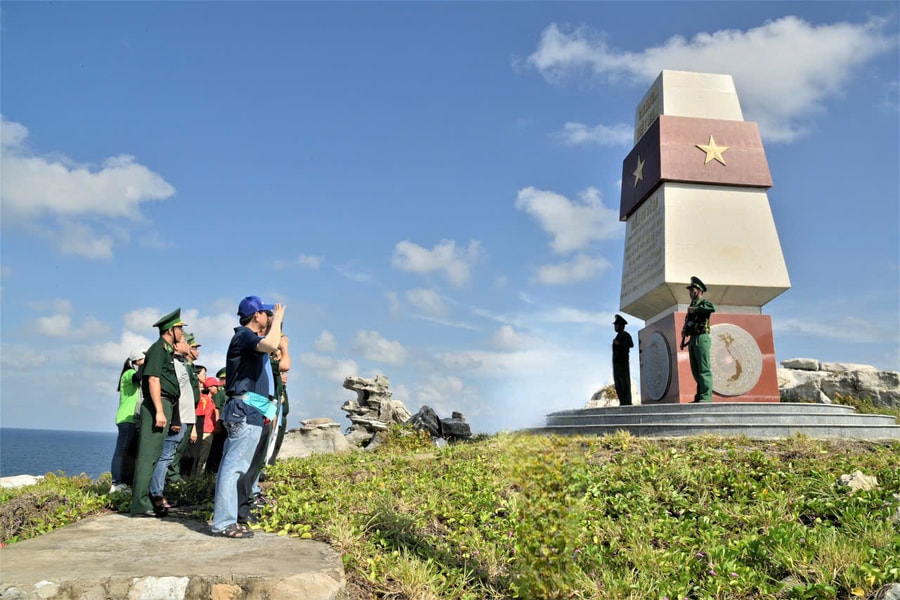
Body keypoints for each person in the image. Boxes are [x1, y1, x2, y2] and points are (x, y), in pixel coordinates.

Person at [210, 296, 285, 538]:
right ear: (256, 316)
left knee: (238, 468)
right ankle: (223, 522)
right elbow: (271, 345)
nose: (269, 316)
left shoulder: (249, 339)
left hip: (251, 410)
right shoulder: (243, 336)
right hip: (243, 411)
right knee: (232, 468)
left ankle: (230, 518)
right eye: (266, 312)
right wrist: (279, 320)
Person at [131, 308, 186, 518]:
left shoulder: (166, 350)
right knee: (148, 457)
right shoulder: (158, 349)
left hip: (165, 404)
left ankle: (146, 501)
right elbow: (152, 379)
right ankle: (140, 503)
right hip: (158, 405)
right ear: (171, 330)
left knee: (154, 456)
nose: (181, 332)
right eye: (180, 328)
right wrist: (159, 411)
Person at [110, 348, 145, 492]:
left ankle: (124, 482)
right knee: (122, 451)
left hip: (132, 419)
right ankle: (116, 482)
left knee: (128, 452)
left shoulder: (131, 372)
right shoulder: (129, 373)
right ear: (136, 361)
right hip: (126, 418)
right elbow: (138, 376)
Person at [680, 276, 717, 403]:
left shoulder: (703, 302)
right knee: (695, 370)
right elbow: (689, 322)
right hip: (693, 339)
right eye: (690, 291)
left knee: (703, 368)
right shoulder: (692, 305)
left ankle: (706, 396)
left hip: (702, 338)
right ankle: (700, 395)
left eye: (693, 290)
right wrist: (684, 331)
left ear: (700, 290)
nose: (691, 293)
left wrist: (695, 309)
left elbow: (712, 308)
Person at [193, 376, 221, 476]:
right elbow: (199, 415)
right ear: (209, 387)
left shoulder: (211, 400)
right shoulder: (204, 399)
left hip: (209, 431)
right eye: (215, 386)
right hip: (204, 432)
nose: (217, 388)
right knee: (201, 458)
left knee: (203, 458)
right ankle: (196, 479)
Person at [612, 314, 634, 406]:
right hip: (617, 364)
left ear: (621, 325)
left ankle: (627, 402)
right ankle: (622, 402)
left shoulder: (625, 335)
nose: (615, 327)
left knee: (624, 383)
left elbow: (631, 344)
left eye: (616, 325)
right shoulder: (617, 337)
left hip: (622, 364)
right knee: (618, 384)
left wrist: (619, 343)